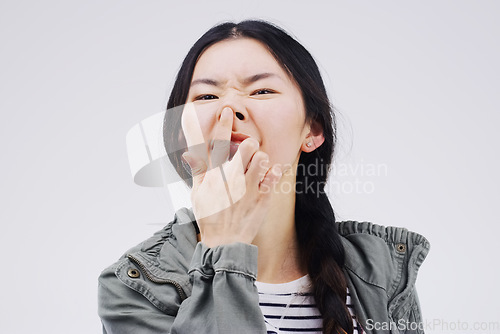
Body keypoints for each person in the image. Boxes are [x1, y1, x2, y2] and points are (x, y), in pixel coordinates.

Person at [97, 20, 430, 334]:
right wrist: (226, 248)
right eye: (207, 97)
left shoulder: (381, 275)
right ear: (183, 136)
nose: (229, 111)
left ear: (312, 129)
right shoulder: (134, 286)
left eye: (261, 91)